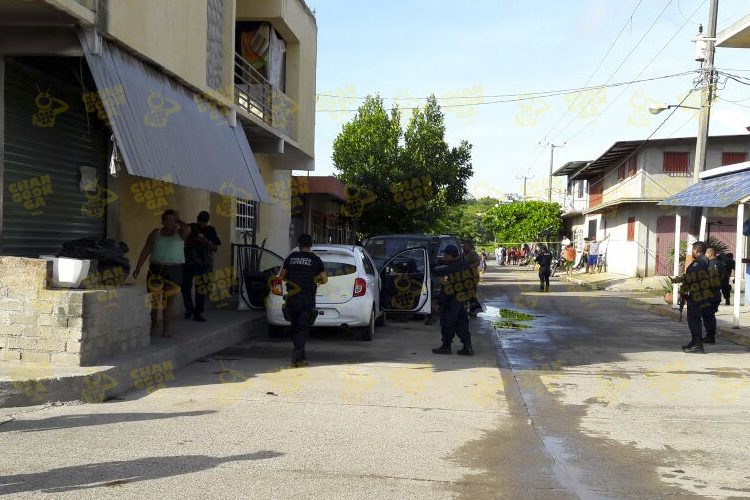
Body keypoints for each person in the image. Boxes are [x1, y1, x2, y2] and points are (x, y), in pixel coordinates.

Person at [133, 209, 191, 338]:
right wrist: (138, 267)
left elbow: (187, 229)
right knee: (153, 302)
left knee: (168, 303)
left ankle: (166, 330)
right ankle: (153, 325)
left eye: (173, 220)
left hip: (174, 271)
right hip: (156, 270)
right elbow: (146, 250)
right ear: (163, 221)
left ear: (176, 222)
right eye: (168, 220)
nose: (170, 222)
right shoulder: (156, 233)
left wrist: (179, 220)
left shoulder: (180, 233)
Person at [280, 234, 327, 367]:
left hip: (292, 299)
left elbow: (282, 276)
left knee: (295, 327)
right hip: (307, 299)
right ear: (311, 245)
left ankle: (301, 357)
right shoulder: (316, 260)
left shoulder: (291, 258)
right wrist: (314, 280)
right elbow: (324, 279)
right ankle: (297, 356)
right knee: (303, 329)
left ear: (299, 244)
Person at [672, 241, 717, 353]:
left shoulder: (700, 262)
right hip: (698, 294)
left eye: (692, 250)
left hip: (698, 295)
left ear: (696, 250)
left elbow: (692, 278)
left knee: (694, 320)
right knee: (693, 319)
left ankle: (697, 344)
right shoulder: (700, 261)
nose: (691, 252)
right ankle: (694, 342)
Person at [431, 245, 476, 356]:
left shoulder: (449, 269)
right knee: (462, 323)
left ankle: (446, 347)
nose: (444, 257)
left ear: (451, 255)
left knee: (447, 323)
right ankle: (467, 347)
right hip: (463, 300)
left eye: (445, 254)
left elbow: (446, 290)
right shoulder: (465, 265)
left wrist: (439, 302)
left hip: (451, 301)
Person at [182, 211, 221, 322]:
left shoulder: (210, 231)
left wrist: (206, 242)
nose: (202, 223)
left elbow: (216, 248)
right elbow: (182, 238)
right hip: (189, 262)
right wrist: (194, 240)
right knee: (186, 288)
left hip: (203, 264)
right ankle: (189, 309)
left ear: (207, 221)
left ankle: (198, 312)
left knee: (201, 289)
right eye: (201, 221)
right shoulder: (191, 227)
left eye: (204, 221)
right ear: (198, 219)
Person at [703, 246, 724, 344]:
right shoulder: (720, 264)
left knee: (708, 316)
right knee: (709, 315)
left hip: (710, 295)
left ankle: (710, 336)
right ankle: (709, 336)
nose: (705, 256)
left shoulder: (712, 264)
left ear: (710, 254)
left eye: (706, 254)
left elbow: (710, 280)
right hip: (716, 293)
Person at [462, 239, 482, 317]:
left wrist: (469, 267)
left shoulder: (472, 253)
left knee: (471, 293)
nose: (463, 247)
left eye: (465, 246)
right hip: (466, 276)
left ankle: (475, 309)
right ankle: (473, 309)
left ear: (470, 247)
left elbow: (477, 262)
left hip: (472, 276)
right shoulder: (464, 254)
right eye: (463, 246)